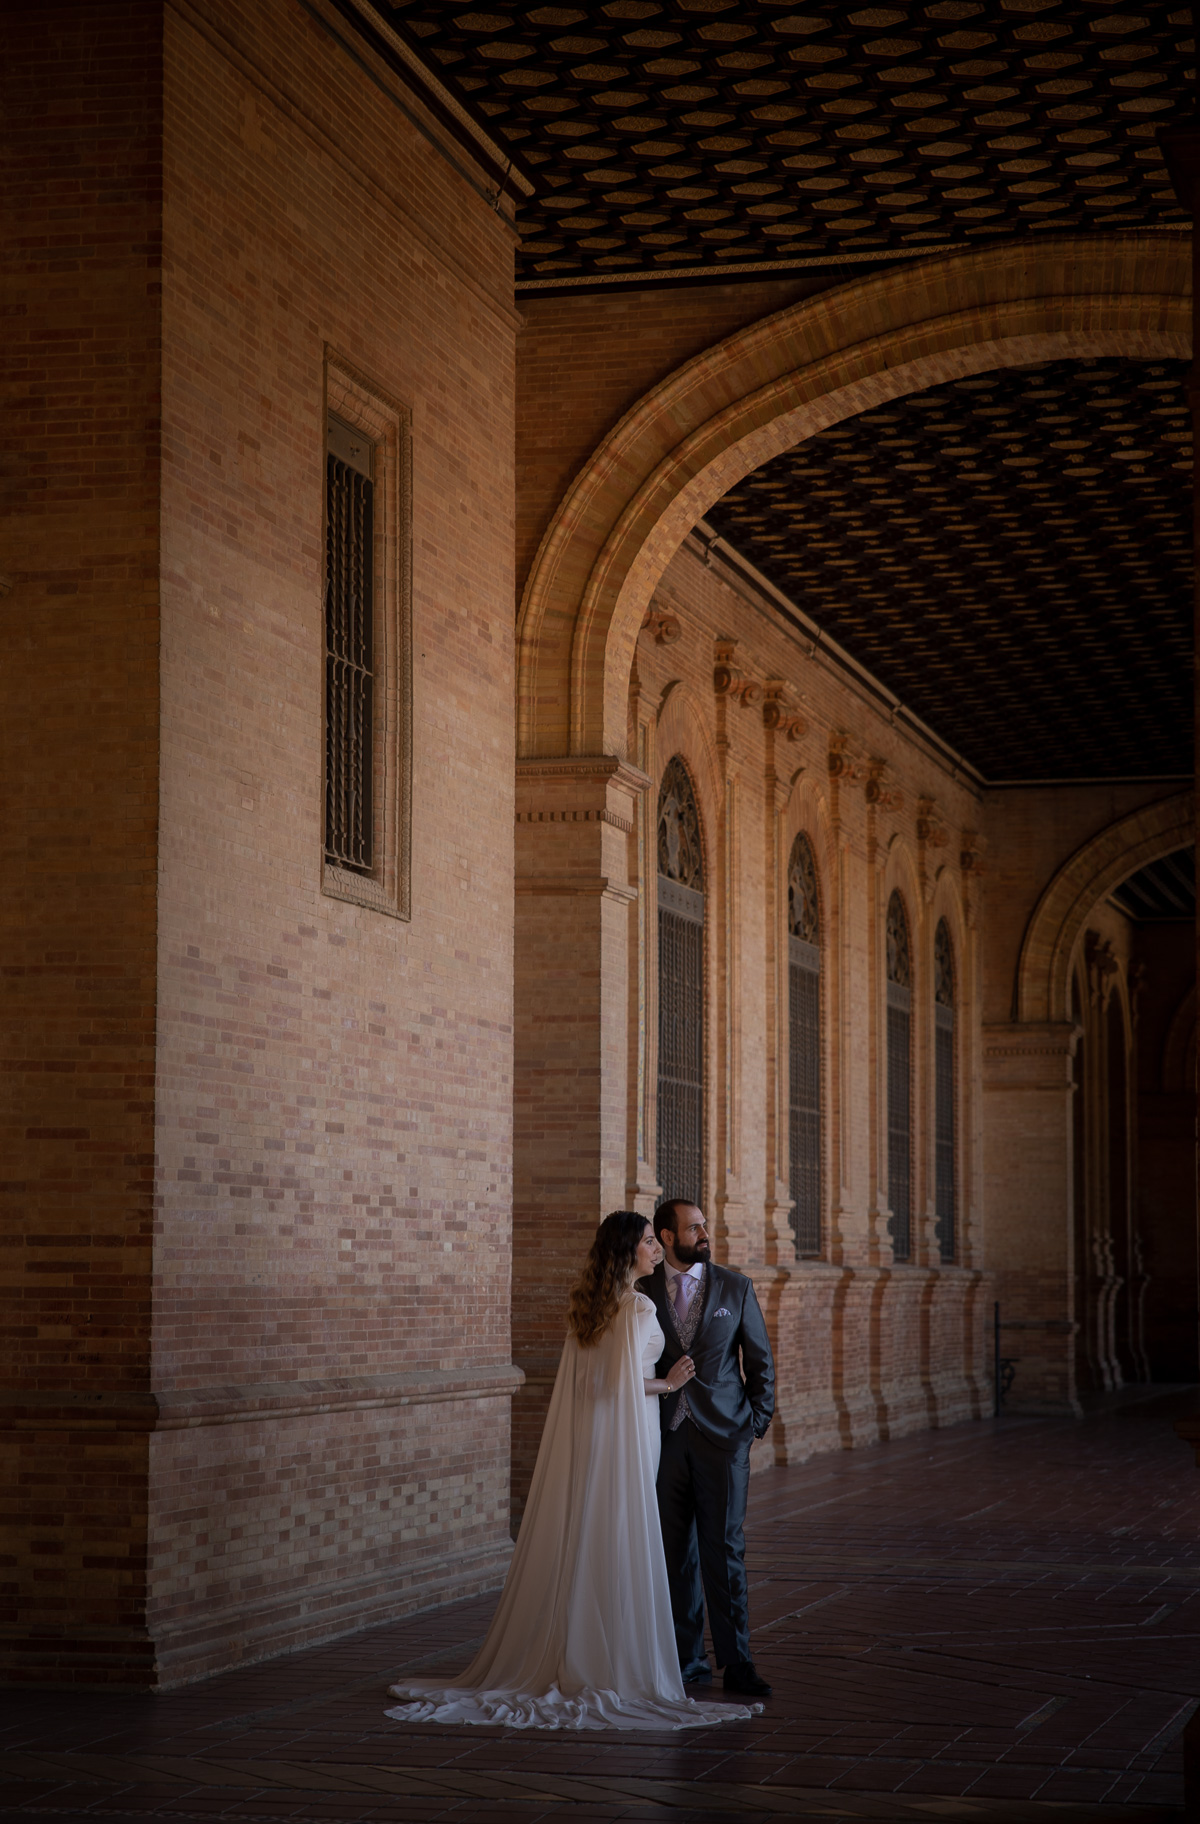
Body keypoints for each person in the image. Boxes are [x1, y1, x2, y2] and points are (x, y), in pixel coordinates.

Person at [384, 1211, 762, 1731]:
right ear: (630, 1250)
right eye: (649, 1241)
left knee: (603, 1533)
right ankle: (627, 1656)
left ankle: (593, 1645)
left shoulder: (591, 1305)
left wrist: (748, 1421)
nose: (655, 1248)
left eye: (657, 1240)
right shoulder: (638, 1304)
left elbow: (595, 1385)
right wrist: (669, 1383)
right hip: (633, 1436)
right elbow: (622, 1384)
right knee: (629, 1538)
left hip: (612, 1438)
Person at [638, 1199, 775, 1698]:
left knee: (725, 1551)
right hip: (666, 1439)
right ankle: (687, 1660)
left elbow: (760, 1361)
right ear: (667, 1237)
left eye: (704, 1225)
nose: (703, 1233)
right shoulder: (642, 1288)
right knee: (675, 1555)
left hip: (723, 1439)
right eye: (693, 1227)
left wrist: (753, 1426)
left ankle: (737, 1662)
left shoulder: (735, 1288)